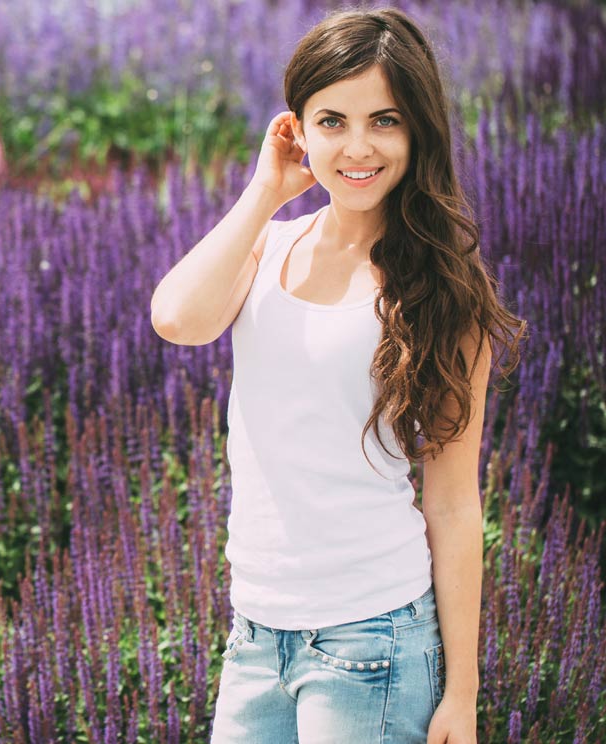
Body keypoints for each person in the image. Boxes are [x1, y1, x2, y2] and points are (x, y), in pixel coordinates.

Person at [150, 7, 525, 744]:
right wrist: (265, 192)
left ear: (418, 130)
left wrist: (464, 692)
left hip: (373, 638)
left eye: (384, 120)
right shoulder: (270, 245)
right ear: (297, 128)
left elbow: (452, 504)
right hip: (256, 635)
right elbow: (176, 319)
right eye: (332, 121)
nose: (358, 147)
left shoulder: (441, 291)